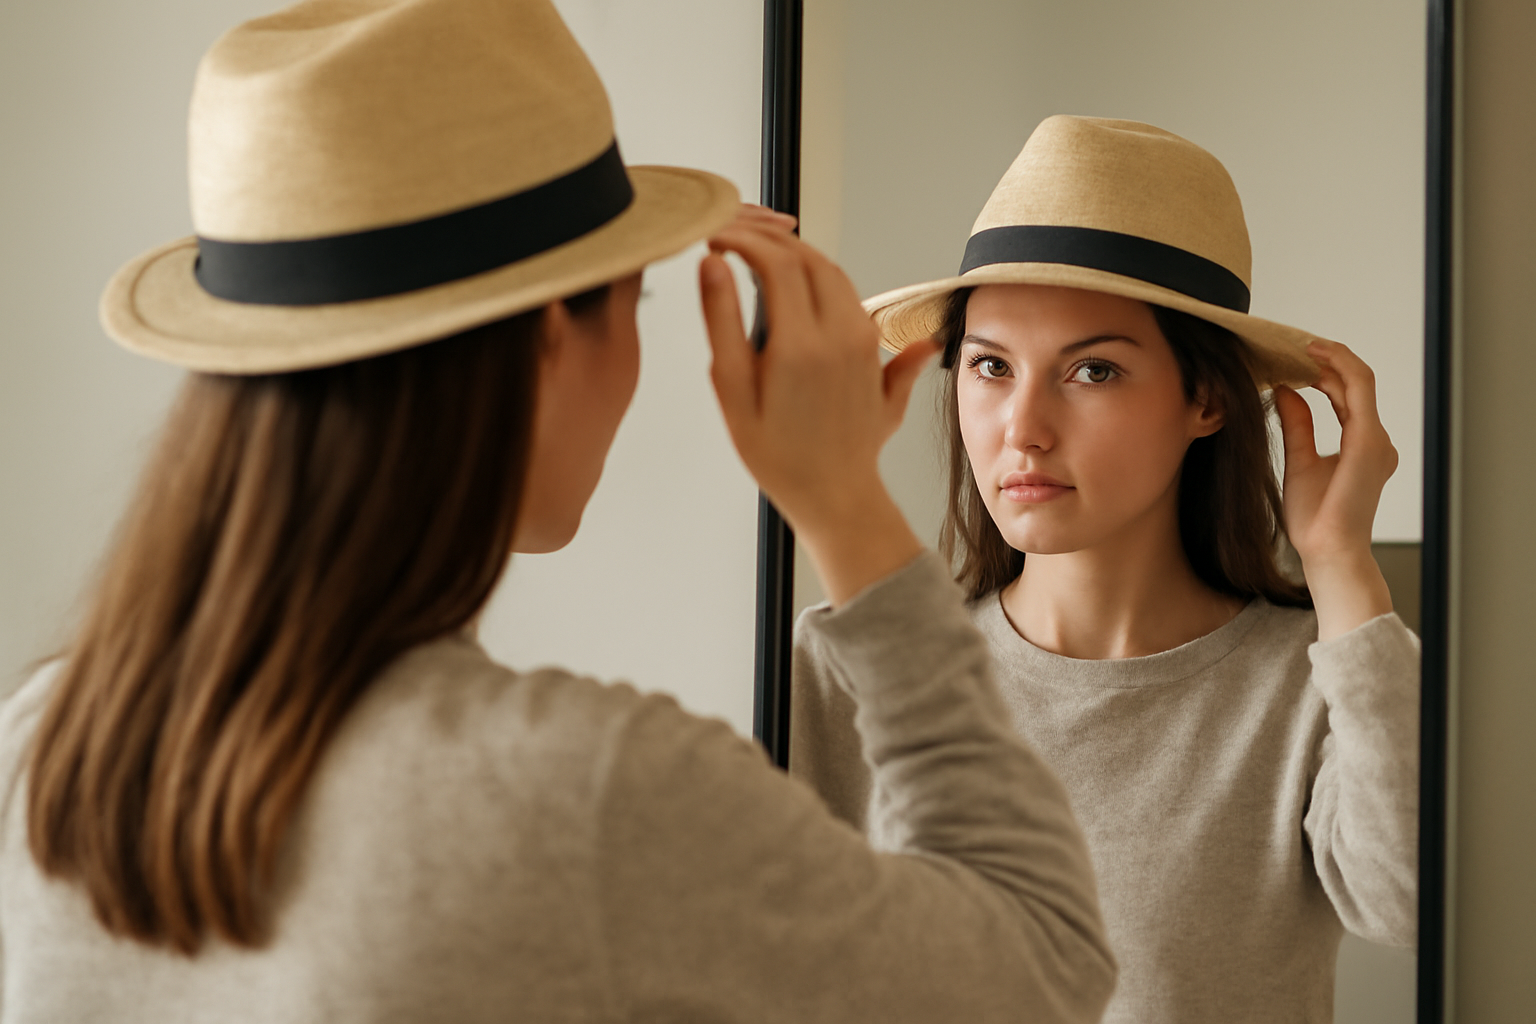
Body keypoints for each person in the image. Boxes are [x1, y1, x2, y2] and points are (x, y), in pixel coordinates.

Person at [0, 2, 1118, 1021]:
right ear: (546, 341)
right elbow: (1043, 961)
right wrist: (843, 504)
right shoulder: (583, 792)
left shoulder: (44, 741)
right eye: (628, 297)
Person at [791, 116, 1419, 1024]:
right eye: (991, 366)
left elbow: (1412, 904)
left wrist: (1341, 566)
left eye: (1092, 371)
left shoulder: (1309, 686)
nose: (1023, 428)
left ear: (1205, 398)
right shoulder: (849, 671)